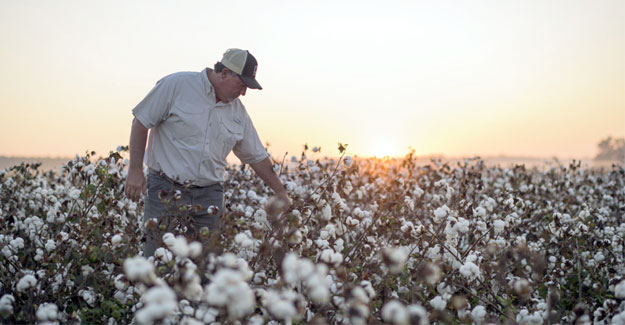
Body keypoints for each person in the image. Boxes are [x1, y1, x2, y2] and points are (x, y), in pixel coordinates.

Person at [124, 48, 290, 257]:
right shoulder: (176, 86)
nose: (244, 92)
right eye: (242, 84)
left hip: (209, 197)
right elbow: (140, 122)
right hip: (165, 189)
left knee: (204, 268)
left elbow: (257, 157)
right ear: (224, 73)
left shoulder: (238, 112)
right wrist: (135, 170)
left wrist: (281, 192)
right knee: (158, 260)